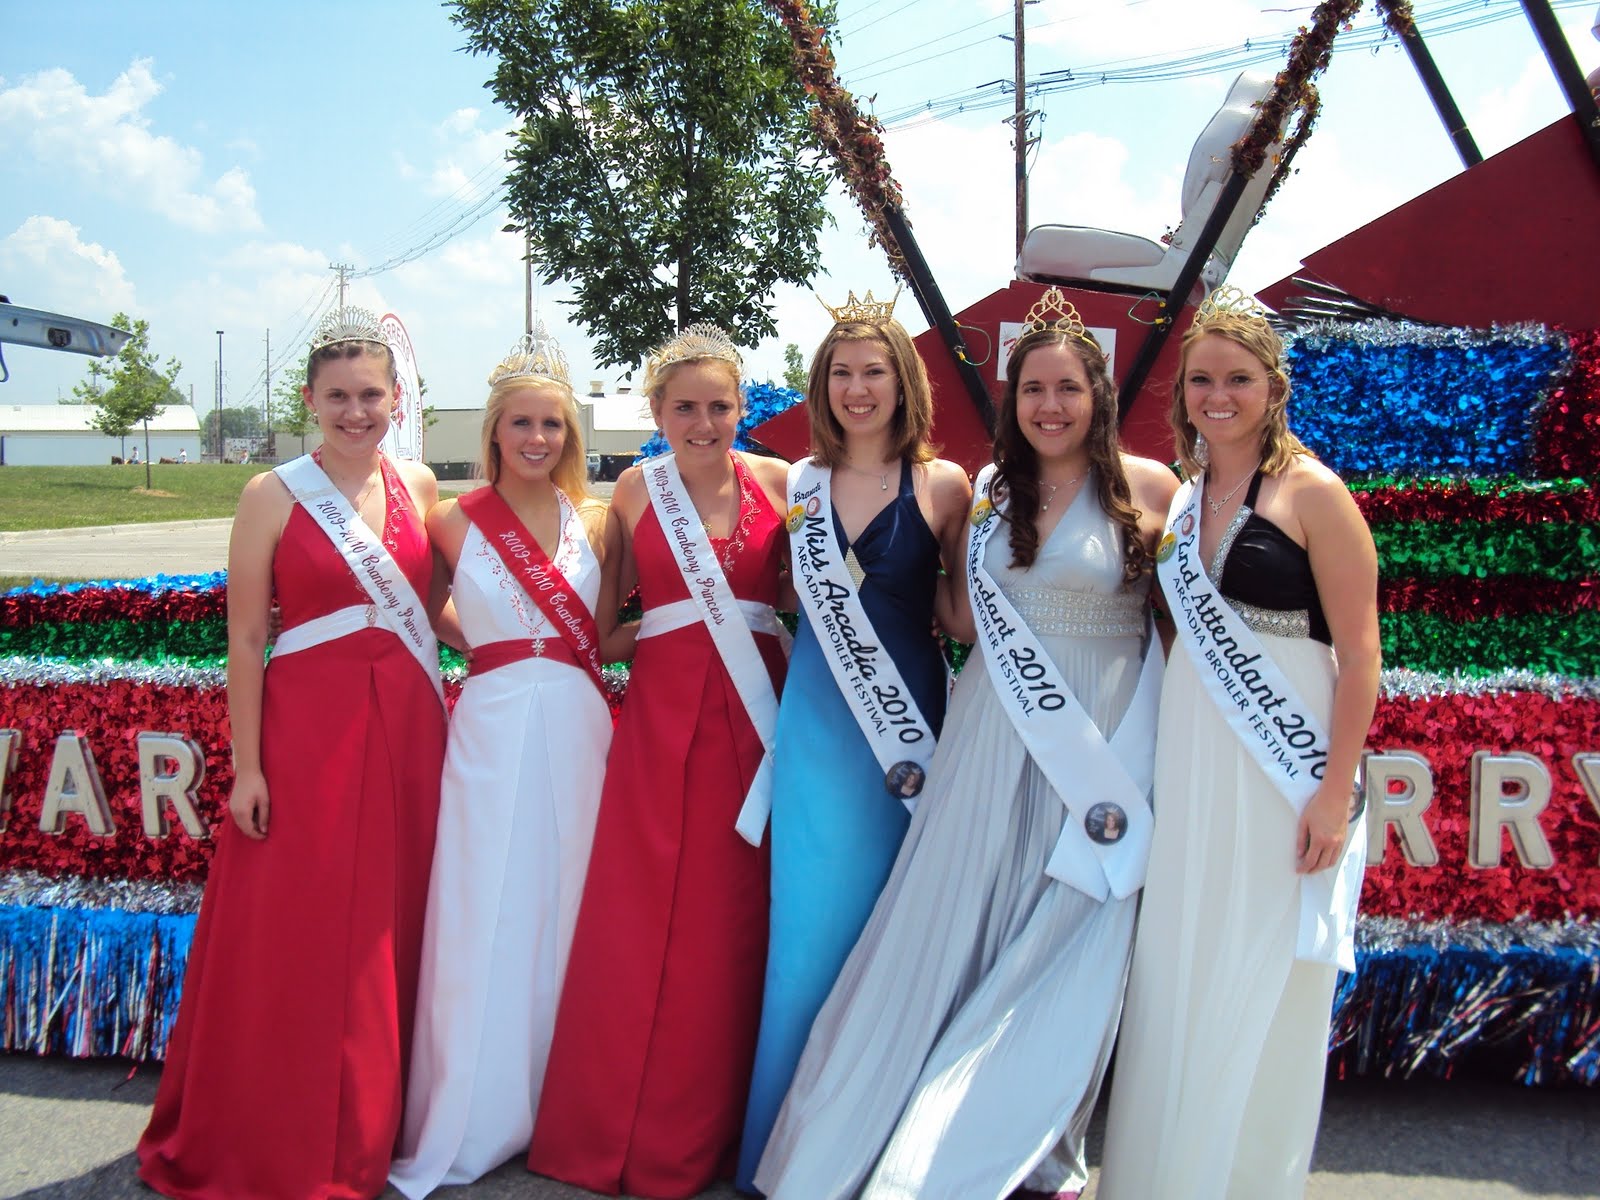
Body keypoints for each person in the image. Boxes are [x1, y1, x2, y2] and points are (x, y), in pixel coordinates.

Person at [755, 289, 1178, 1200]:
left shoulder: (1151, 488)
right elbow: (955, 615)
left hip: (1099, 737)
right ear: (1011, 400)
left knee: (1073, 930)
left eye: (1067, 388)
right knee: (955, 925)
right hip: (992, 729)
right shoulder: (989, 491)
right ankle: (907, 1126)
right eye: (1032, 390)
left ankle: (1037, 1140)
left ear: (1099, 396)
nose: (1049, 406)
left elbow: (1185, 628)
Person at [138, 306, 447, 1199]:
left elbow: (432, 612)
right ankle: (281, 1125)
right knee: (299, 927)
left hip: (410, 727)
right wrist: (248, 766)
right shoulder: (271, 494)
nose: (356, 412)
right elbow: (245, 639)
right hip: (310, 733)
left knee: (391, 917)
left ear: (396, 400)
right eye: (338, 396)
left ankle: (375, 1118)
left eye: (372, 396)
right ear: (310, 401)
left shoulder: (420, 484)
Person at [1098, 286, 1377, 1200]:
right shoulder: (1187, 497)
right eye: (1202, 381)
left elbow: (1362, 655)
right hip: (1195, 747)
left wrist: (1333, 795)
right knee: (1182, 959)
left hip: (1284, 761)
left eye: (1239, 379)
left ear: (1274, 386)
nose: (1218, 396)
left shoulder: (1315, 493)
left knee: (1262, 972)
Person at [527, 323, 791, 1200]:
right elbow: (602, 631)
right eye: (685, 407)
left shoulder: (782, 483)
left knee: (730, 918)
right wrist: (675, 626)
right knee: (641, 911)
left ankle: (713, 1127)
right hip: (662, 717)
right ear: (656, 411)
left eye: (720, 406)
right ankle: (615, 1122)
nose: (703, 423)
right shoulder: (637, 489)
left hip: (756, 719)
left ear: (743, 408)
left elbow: (810, 600)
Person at [736, 293, 970, 1191]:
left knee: (896, 923)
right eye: (842, 372)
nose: (858, 387)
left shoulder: (945, 486)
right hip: (818, 722)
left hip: (907, 720)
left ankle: (878, 1139)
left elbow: (960, 614)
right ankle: (785, 1144)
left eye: (875, 371)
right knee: (808, 928)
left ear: (904, 381)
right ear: (822, 385)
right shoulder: (795, 482)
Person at [389, 329, 623, 1197]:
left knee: (572, 897)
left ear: (570, 434)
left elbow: (607, 630)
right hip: (489, 724)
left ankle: (565, 1094)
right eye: (520, 422)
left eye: (552, 424)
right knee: (485, 900)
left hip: (578, 722)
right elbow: (421, 611)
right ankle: (478, 1106)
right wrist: (490, 646)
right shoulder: (450, 521)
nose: (536, 438)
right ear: (493, 430)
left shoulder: (598, 520)